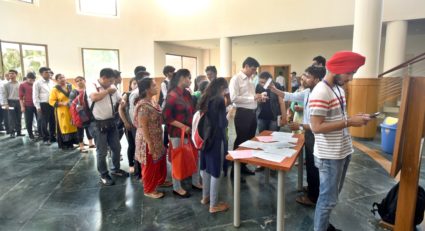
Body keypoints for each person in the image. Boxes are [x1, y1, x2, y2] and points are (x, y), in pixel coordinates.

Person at [309, 51, 369, 231]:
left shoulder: (337, 88)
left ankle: (325, 226)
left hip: (342, 151)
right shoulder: (321, 91)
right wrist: (350, 121)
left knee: (332, 197)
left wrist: (352, 118)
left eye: (353, 73)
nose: (350, 77)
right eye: (349, 73)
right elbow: (316, 127)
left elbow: (336, 118)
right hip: (330, 156)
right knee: (327, 201)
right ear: (337, 69)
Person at [270, 65, 327, 207]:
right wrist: (275, 90)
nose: (304, 78)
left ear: (317, 79)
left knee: (314, 166)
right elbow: (291, 95)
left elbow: (320, 123)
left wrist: (300, 126)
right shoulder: (308, 91)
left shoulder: (321, 94)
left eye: (307, 76)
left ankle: (313, 197)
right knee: (311, 164)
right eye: (304, 75)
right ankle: (313, 188)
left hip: (315, 134)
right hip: (309, 132)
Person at [87, 68, 129, 186]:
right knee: (102, 151)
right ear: (103, 78)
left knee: (116, 147)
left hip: (111, 121)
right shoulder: (92, 85)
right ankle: (103, 174)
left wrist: (122, 102)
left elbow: (118, 98)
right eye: (110, 81)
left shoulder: (112, 87)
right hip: (97, 123)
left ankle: (115, 169)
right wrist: (108, 91)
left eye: (113, 81)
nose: (112, 83)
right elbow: (95, 97)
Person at [163, 68, 201, 198]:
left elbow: (192, 110)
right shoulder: (172, 95)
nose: (190, 80)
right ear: (182, 78)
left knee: (195, 156)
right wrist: (183, 127)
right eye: (189, 78)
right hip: (177, 134)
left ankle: (196, 182)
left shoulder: (186, 93)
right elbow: (166, 118)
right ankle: (177, 187)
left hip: (190, 132)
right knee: (178, 160)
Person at [229, 57, 267, 176]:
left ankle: (243, 166)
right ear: (245, 66)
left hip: (252, 113)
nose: (254, 72)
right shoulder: (236, 79)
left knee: (249, 141)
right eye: (252, 69)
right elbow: (233, 98)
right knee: (241, 140)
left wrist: (259, 98)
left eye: (255, 70)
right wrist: (253, 98)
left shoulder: (251, 80)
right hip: (242, 114)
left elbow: (251, 97)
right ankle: (235, 171)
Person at [198, 78, 231, 213]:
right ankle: (214, 204)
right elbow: (223, 123)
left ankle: (205, 197)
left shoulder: (204, 98)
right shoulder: (219, 100)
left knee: (205, 168)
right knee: (216, 171)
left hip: (204, 138)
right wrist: (229, 113)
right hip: (216, 139)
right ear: (222, 87)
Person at [134, 78, 168, 199]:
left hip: (157, 137)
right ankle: (149, 189)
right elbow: (143, 127)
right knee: (149, 164)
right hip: (147, 139)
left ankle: (159, 181)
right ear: (147, 89)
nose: (156, 87)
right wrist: (150, 144)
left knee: (159, 160)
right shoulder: (143, 106)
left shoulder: (152, 101)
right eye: (154, 86)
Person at [49, 74, 78, 150]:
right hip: (62, 110)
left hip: (72, 109)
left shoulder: (71, 86)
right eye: (59, 78)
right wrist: (63, 103)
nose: (62, 79)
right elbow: (51, 101)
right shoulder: (55, 89)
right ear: (57, 80)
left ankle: (74, 142)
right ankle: (66, 144)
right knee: (65, 126)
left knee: (73, 124)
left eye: (63, 77)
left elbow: (76, 95)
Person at [118, 78, 140, 177]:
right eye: (134, 83)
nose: (136, 85)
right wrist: (125, 122)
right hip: (130, 125)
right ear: (130, 85)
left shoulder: (140, 94)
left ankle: (138, 165)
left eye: (138, 83)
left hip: (139, 126)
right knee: (132, 145)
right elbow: (120, 110)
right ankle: (131, 164)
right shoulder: (127, 94)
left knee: (138, 145)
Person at [69, 76, 95, 153]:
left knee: (89, 128)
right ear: (75, 83)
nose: (79, 82)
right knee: (80, 130)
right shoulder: (74, 92)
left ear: (84, 80)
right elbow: (70, 103)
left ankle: (91, 144)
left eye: (81, 80)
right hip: (79, 114)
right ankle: (81, 147)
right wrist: (76, 109)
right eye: (77, 81)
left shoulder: (89, 90)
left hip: (88, 113)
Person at [33, 67, 56, 145]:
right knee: (44, 122)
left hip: (52, 104)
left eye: (49, 72)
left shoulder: (52, 82)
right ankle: (45, 138)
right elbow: (35, 96)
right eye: (46, 72)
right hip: (43, 104)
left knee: (53, 121)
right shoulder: (37, 83)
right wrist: (38, 107)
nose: (48, 74)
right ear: (41, 74)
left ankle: (52, 137)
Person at [2, 70, 24, 138]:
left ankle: (19, 132)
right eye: (9, 74)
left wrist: (23, 103)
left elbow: (22, 94)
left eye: (12, 73)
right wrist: (5, 104)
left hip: (19, 102)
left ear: (16, 74)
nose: (10, 75)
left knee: (19, 117)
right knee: (11, 118)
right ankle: (12, 132)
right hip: (10, 102)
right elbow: (4, 95)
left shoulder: (20, 84)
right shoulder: (6, 85)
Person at [19, 72, 38, 140]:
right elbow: (20, 97)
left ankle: (40, 133)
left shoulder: (36, 84)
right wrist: (22, 106)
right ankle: (30, 135)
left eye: (33, 80)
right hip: (27, 105)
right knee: (29, 121)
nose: (32, 81)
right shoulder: (22, 85)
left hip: (37, 105)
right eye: (30, 80)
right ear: (27, 78)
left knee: (39, 120)